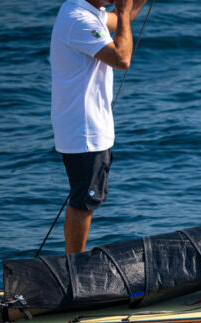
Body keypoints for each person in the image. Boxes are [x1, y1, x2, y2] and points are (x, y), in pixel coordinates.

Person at [50, 0, 149, 254]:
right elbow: (122, 58)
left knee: (86, 198)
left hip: (89, 128)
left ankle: (74, 264)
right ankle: (75, 267)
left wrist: (131, 7)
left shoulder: (90, 12)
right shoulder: (78, 19)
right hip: (84, 130)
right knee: (84, 201)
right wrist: (125, 12)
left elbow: (118, 19)